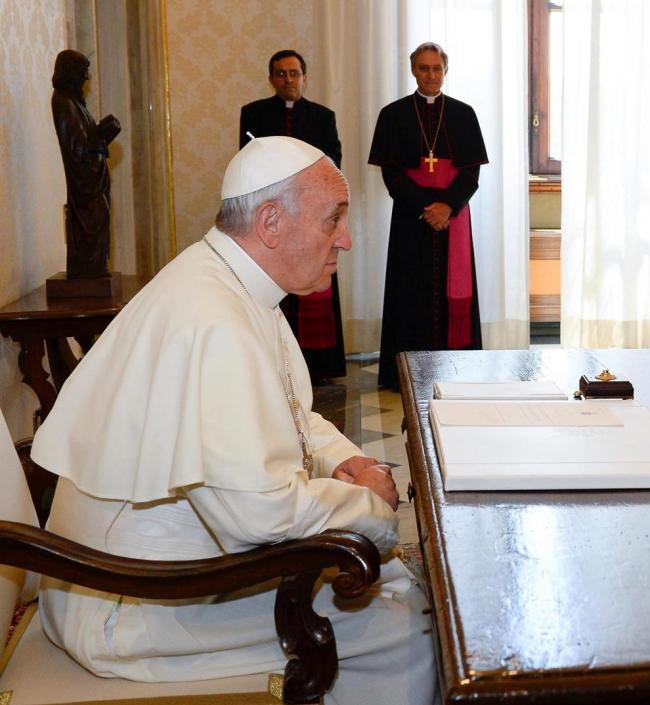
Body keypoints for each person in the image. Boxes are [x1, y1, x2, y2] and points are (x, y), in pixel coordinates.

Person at [30, 137, 436, 704]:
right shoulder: (215, 319)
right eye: (333, 220)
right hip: (129, 600)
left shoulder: (231, 284)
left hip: (159, 570)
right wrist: (371, 503)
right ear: (271, 222)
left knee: (395, 585)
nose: (345, 238)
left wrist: (348, 459)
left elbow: (293, 412)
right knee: (410, 625)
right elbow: (261, 519)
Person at [368, 41, 488, 389]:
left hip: (453, 216)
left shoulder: (464, 114)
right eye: (424, 68)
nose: (431, 74)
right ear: (413, 70)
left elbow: (471, 174)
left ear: (445, 71)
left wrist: (447, 206)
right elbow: (391, 174)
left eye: (436, 68)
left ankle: (457, 368)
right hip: (411, 217)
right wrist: (426, 207)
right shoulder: (393, 115)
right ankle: (405, 373)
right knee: (409, 291)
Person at [240, 49, 347, 382]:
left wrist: (307, 198)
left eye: (294, 73)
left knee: (315, 282)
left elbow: (333, 163)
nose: (289, 80)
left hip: (312, 214)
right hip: (271, 216)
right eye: (281, 74)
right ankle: (274, 359)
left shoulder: (322, 116)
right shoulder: (253, 113)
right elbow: (248, 161)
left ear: (305, 76)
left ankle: (319, 365)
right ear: (272, 78)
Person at [51, 49, 121, 280]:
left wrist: (102, 132)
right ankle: (89, 271)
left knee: (101, 221)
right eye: (83, 72)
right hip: (85, 184)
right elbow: (76, 149)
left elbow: (85, 138)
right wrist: (99, 139)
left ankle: (95, 269)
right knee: (92, 224)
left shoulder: (76, 103)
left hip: (94, 179)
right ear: (71, 72)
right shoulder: (63, 102)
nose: (86, 77)